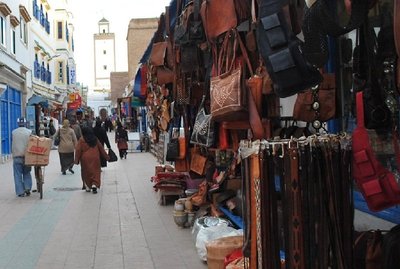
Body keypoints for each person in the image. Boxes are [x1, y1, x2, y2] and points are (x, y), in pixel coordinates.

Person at [74, 126, 109, 193]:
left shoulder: (82, 139)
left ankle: (87, 186)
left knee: (86, 172)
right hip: (95, 157)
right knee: (96, 171)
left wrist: (76, 160)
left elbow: (78, 150)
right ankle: (94, 184)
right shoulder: (95, 139)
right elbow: (101, 148)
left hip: (85, 159)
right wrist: (107, 157)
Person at [12, 118, 33, 197]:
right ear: (25, 123)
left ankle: (20, 192)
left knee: (17, 174)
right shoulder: (29, 132)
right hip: (27, 156)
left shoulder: (13, 132)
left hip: (17, 156)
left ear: (18, 123)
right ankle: (27, 188)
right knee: (27, 172)